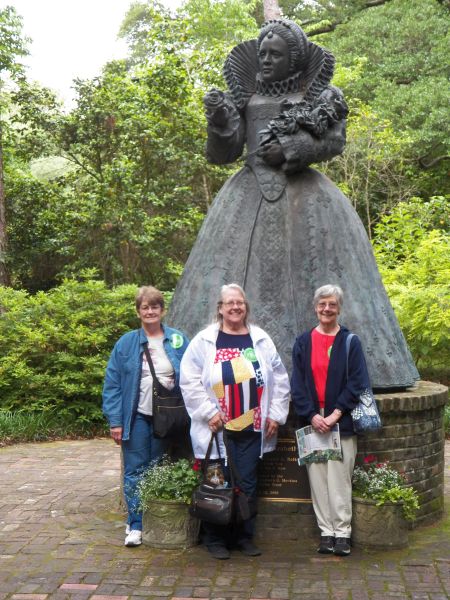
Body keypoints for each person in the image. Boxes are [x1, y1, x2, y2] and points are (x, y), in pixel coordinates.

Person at [168, 18, 418, 390]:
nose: (266, 60)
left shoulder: (318, 99)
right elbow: (224, 152)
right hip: (247, 192)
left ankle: (341, 371)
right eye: (262, 53)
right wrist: (221, 121)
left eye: (275, 54)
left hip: (307, 197)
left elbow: (334, 141)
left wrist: (291, 148)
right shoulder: (248, 98)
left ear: (295, 60)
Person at [180, 283, 290, 559]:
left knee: (248, 483)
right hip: (217, 428)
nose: (235, 307)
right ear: (220, 308)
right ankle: (214, 539)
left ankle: (244, 537)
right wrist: (208, 412)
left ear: (246, 306)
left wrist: (276, 414)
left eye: (239, 302)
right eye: (229, 303)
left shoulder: (260, 339)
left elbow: (279, 377)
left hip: (251, 428)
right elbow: (189, 379)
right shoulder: (205, 341)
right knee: (217, 482)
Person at [102, 286, 189, 547]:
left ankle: (150, 518)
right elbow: (112, 383)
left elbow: (193, 376)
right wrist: (115, 421)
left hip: (167, 417)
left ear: (162, 310)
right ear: (138, 311)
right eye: (145, 307)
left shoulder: (177, 340)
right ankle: (136, 524)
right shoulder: (127, 343)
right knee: (135, 469)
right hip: (136, 415)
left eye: (154, 307)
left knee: (154, 468)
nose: (150, 311)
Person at [291, 284, 372, 556]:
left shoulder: (351, 342)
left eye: (332, 305)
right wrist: (313, 416)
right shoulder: (303, 342)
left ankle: (342, 533)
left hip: (342, 421)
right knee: (318, 479)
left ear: (339, 308)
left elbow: (358, 381)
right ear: (315, 307)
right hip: (313, 422)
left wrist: (335, 414)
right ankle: (326, 532)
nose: (327, 309)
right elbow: (298, 385)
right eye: (322, 304)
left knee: (339, 479)